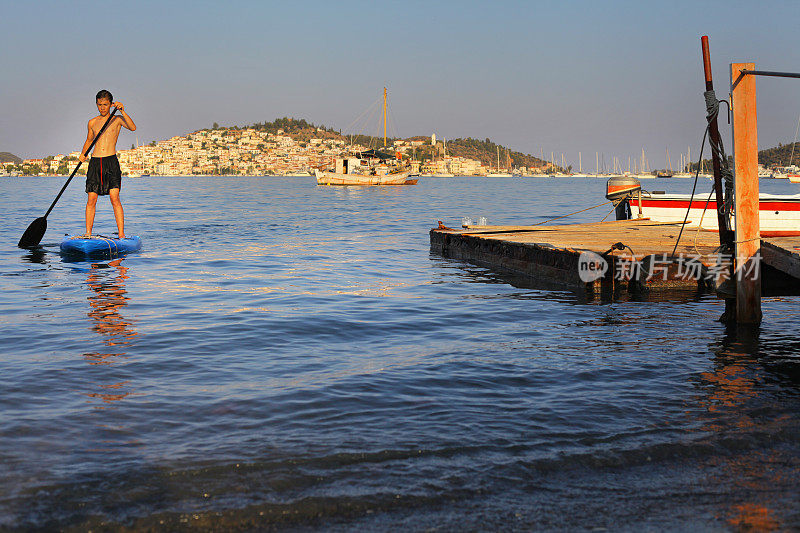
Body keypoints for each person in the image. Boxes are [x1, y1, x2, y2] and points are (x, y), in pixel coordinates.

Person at [79, 89, 136, 238]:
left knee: (114, 197)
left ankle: (121, 234)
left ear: (111, 104)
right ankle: (88, 233)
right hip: (95, 162)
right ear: (96, 104)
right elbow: (89, 140)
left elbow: (132, 127)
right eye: (99, 105)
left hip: (111, 161)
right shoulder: (92, 122)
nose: (102, 108)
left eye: (105, 104)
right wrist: (82, 154)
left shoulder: (116, 119)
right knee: (91, 198)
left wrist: (123, 111)